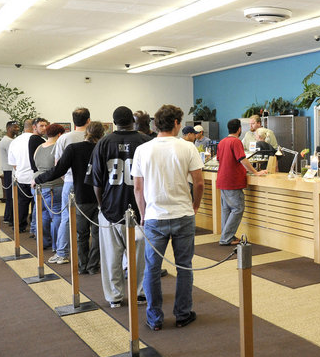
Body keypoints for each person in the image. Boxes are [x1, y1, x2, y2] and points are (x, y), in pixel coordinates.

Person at [133, 104, 204, 331]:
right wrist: (195, 205)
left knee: (152, 268)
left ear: (156, 124)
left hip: (154, 216)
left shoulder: (143, 149)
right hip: (183, 213)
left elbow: (137, 187)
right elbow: (199, 182)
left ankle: (155, 319)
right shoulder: (188, 148)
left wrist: (143, 214)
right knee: (185, 266)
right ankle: (183, 314)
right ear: (175, 123)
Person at [88, 106, 150, 308]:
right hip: (141, 209)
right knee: (141, 257)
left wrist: (101, 206)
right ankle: (140, 292)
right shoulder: (146, 141)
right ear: (133, 121)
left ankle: (115, 296)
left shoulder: (103, 143)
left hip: (111, 208)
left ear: (113, 122)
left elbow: (96, 181)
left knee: (111, 256)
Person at [35, 121, 104, 273]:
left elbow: (58, 170)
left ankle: (82, 266)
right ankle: (93, 266)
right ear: (102, 135)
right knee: (98, 234)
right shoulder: (103, 148)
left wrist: (38, 179)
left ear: (86, 133)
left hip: (81, 196)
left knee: (81, 234)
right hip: (100, 198)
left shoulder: (73, 148)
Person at [216, 118, 267, 246]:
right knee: (238, 208)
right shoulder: (236, 142)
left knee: (226, 210)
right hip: (232, 181)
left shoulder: (222, 142)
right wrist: (255, 172)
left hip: (222, 180)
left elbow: (218, 159)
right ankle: (226, 237)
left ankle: (226, 235)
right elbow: (242, 159)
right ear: (239, 129)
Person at [52, 108, 90, 265]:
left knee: (66, 218)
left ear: (73, 121)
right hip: (91, 183)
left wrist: (66, 177)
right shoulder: (94, 137)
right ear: (88, 120)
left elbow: (57, 164)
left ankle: (62, 253)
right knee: (92, 218)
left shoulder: (65, 138)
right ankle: (93, 256)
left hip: (70, 181)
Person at [32, 123, 65, 251]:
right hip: (54, 184)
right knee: (56, 215)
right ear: (59, 134)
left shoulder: (39, 147)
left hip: (37, 183)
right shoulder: (57, 147)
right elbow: (59, 167)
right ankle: (56, 244)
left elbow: (35, 164)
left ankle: (44, 241)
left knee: (43, 214)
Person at [7, 119, 35, 233]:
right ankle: (34, 225)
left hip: (20, 176)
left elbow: (13, 164)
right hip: (34, 178)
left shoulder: (15, 141)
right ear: (34, 127)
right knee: (36, 203)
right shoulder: (39, 140)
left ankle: (19, 225)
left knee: (21, 203)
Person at [28, 117, 48, 239]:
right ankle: (36, 230)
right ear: (34, 127)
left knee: (38, 206)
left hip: (37, 175)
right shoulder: (36, 140)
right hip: (39, 175)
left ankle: (34, 228)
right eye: (42, 126)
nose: (44, 128)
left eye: (46, 125)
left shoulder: (38, 139)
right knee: (40, 207)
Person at [0, 120, 19, 225]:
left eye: (18, 127)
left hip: (9, 170)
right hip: (9, 170)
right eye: (15, 127)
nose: (17, 129)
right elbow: (13, 157)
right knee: (11, 195)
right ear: (8, 128)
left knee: (10, 195)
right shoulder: (8, 141)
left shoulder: (10, 140)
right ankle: (10, 217)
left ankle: (8, 216)